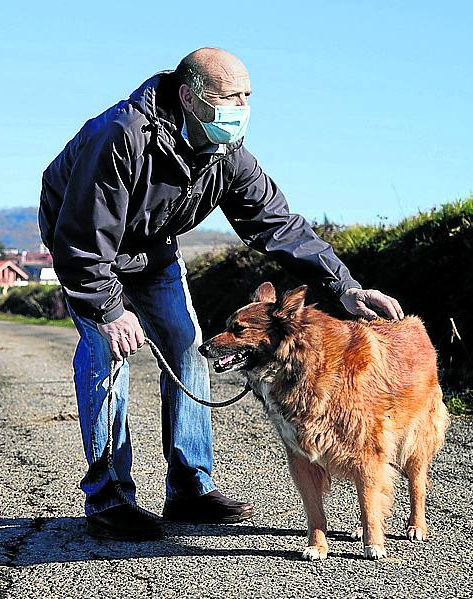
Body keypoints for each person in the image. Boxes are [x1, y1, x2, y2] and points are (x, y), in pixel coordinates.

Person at [39, 48, 403, 541]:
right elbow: (81, 237)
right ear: (189, 97)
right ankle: (110, 499)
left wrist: (345, 288)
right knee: (107, 355)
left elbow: (278, 226)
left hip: (152, 250)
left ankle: (189, 489)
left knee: (188, 347)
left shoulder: (226, 153)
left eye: (247, 96)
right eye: (230, 96)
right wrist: (108, 309)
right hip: (87, 250)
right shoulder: (120, 136)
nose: (242, 108)